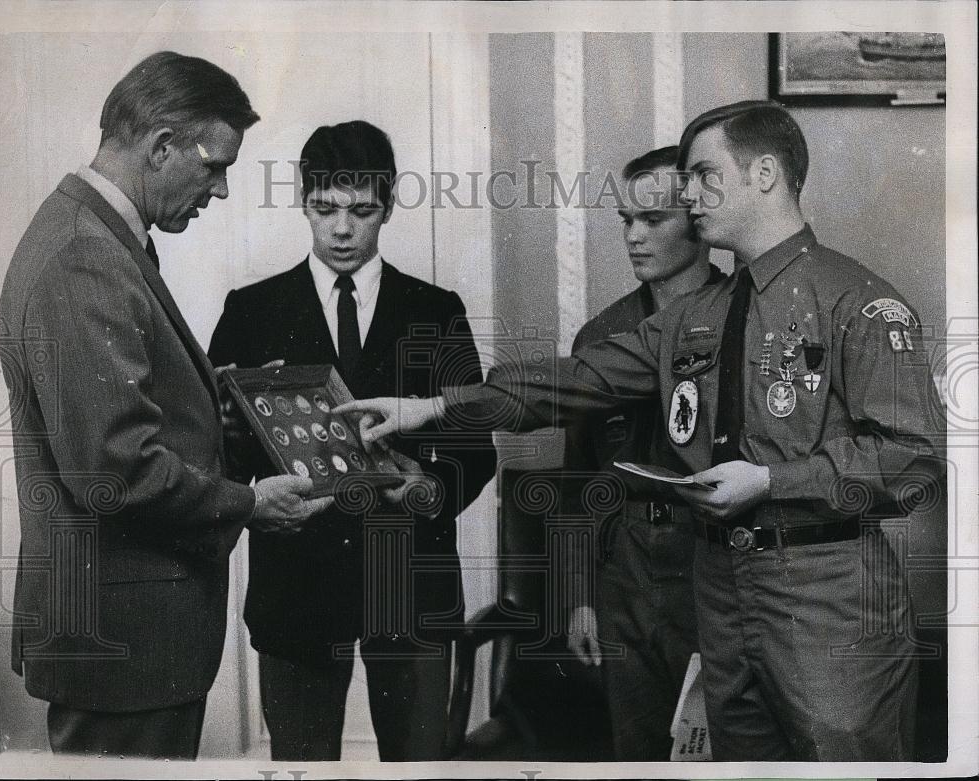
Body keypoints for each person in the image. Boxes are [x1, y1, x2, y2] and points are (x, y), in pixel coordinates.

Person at [338, 101, 945, 761]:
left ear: (765, 173)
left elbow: (912, 458)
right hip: (721, 591)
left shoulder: (855, 300)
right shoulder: (698, 316)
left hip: (827, 591)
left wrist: (772, 479)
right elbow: (576, 378)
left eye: (703, 175)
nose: (688, 193)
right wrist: (430, 408)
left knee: (842, 764)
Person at [0, 52, 333, 759]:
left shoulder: (94, 238)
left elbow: (116, 401)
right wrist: (250, 501)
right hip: (125, 644)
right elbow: (114, 466)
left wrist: (219, 394)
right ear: (160, 145)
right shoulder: (82, 257)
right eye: (214, 166)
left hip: (127, 637)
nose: (219, 190)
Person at [208, 120, 497, 761]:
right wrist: (238, 447)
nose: (342, 230)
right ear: (303, 203)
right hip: (298, 591)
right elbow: (220, 455)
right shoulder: (250, 309)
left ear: (388, 207)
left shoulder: (436, 309)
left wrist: (425, 487)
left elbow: (476, 449)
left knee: (418, 770)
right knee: (301, 769)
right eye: (326, 209)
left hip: (412, 582)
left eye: (362, 211)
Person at [562, 146, 722, 760]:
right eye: (625, 220)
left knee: (721, 748)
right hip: (625, 572)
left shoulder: (745, 320)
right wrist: (581, 597)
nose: (633, 237)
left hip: (712, 566)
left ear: (699, 221)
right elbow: (577, 480)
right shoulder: (601, 336)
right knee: (638, 750)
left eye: (652, 221)